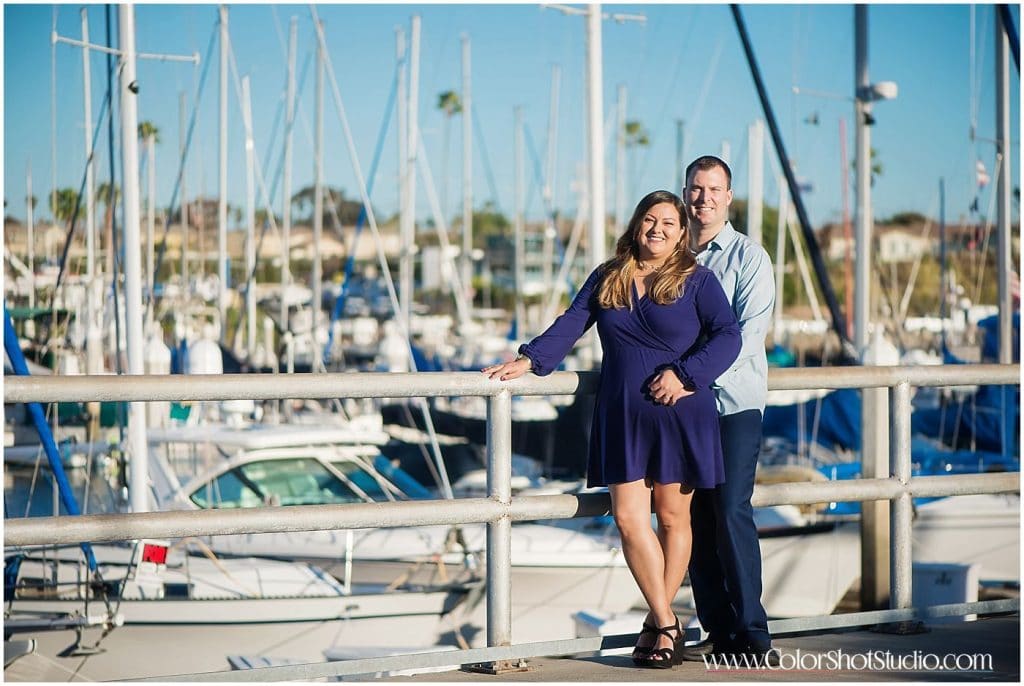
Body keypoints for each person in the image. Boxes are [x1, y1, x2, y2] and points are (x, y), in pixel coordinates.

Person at [483, 190, 741, 668]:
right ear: (635, 224)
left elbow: (729, 335)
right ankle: (666, 620)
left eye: (668, 222)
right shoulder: (609, 276)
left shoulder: (698, 281)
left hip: (681, 411)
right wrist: (531, 358)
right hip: (623, 414)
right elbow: (571, 322)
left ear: (682, 232)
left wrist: (687, 375)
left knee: (672, 519)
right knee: (627, 518)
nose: (657, 229)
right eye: (649, 219)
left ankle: (658, 627)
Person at [677, 156, 778, 665]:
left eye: (714, 189)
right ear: (686, 192)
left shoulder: (749, 257)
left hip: (733, 404)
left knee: (732, 509)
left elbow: (744, 337)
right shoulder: (670, 255)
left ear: (728, 197)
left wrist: (684, 375)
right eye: (696, 189)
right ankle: (718, 631)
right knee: (692, 517)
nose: (704, 198)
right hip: (682, 410)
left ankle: (753, 634)